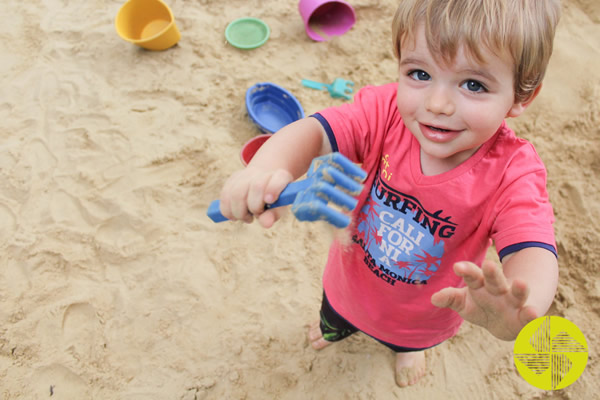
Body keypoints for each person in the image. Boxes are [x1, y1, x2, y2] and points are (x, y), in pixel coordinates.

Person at [218, 0, 561, 387]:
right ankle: (334, 330)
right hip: (348, 285)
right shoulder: (384, 112)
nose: (436, 104)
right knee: (332, 318)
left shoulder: (513, 172)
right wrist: (265, 169)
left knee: (405, 341)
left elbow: (533, 247)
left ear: (521, 95)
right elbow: (315, 130)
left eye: (473, 84)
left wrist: (522, 303)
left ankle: (407, 349)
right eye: (419, 73)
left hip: (423, 314)